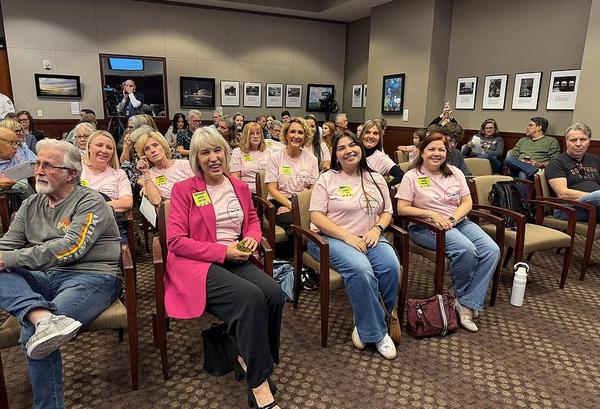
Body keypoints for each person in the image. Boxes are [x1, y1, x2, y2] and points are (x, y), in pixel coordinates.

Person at [167, 126, 284, 409]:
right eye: (205, 152)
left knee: (273, 293)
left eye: (218, 150)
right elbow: (175, 241)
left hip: (235, 257)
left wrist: (251, 239)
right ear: (196, 159)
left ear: (226, 153)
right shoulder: (184, 190)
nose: (213, 158)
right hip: (197, 263)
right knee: (250, 298)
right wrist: (223, 251)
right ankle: (259, 383)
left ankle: (252, 357)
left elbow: (252, 220)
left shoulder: (239, 186)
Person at [0, 139, 121, 409]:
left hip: (92, 277)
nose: (39, 170)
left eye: (48, 165)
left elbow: (72, 247)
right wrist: (5, 256)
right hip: (46, 276)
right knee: (39, 323)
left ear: (71, 173)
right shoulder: (31, 204)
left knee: (35, 336)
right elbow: (7, 245)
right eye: (37, 164)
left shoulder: (91, 201)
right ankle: (41, 315)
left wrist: (10, 258)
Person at [308, 130, 400, 359]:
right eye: (341, 148)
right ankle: (378, 333)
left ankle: (367, 319)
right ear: (335, 155)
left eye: (352, 145)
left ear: (361, 148)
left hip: (369, 235)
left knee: (391, 266)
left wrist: (377, 229)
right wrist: (346, 237)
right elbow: (316, 216)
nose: (348, 151)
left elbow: (387, 212)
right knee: (361, 269)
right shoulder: (327, 178)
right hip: (329, 238)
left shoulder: (376, 178)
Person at [396, 132, 500, 332]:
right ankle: (464, 300)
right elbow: (402, 209)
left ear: (447, 152)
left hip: (457, 222)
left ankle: (464, 300)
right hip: (425, 226)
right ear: (422, 152)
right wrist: (431, 214)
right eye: (431, 149)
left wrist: (452, 219)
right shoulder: (412, 175)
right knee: (466, 249)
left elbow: (467, 203)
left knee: (491, 250)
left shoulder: (455, 172)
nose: (436, 153)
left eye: (441, 150)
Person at [265, 117, 319, 236]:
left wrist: (297, 206)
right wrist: (290, 205)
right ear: (286, 135)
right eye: (292, 132)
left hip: (303, 202)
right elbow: (272, 189)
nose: (296, 136)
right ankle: (300, 248)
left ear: (305, 137)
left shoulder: (312, 159)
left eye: (300, 132)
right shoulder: (275, 157)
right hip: (278, 202)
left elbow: (313, 189)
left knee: (320, 220)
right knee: (295, 223)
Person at [81, 130, 133, 242]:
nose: (104, 151)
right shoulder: (77, 170)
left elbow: (127, 202)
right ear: (89, 147)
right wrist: (112, 204)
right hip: (80, 225)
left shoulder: (119, 174)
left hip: (111, 226)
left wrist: (94, 206)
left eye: (109, 147)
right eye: (99, 145)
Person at [546, 122, 600, 221]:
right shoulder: (557, 162)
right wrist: (594, 196)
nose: (578, 144)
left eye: (583, 139)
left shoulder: (594, 159)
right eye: (573, 140)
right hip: (568, 208)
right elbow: (563, 194)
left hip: (596, 207)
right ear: (566, 142)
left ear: (589, 141)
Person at [135, 129, 194, 205]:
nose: (152, 150)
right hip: (172, 210)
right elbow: (156, 201)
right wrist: (146, 173)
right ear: (144, 155)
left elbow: (201, 188)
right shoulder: (149, 176)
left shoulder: (185, 164)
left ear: (163, 146)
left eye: (155, 145)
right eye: (147, 149)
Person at [359, 119, 404, 186]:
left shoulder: (381, 158)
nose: (371, 136)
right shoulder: (354, 152)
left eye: (375, 133)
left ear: (380, 137)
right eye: (367, 132)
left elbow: (401, 175)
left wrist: (384, 187)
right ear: (362, 134)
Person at [231, 122, 271, 194]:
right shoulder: (238, 152)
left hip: (267, 191)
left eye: (258, 133)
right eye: (252, 134)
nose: (255, 136)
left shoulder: (269, 152)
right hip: (247, 191)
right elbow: (235, 177)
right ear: (246, 136)